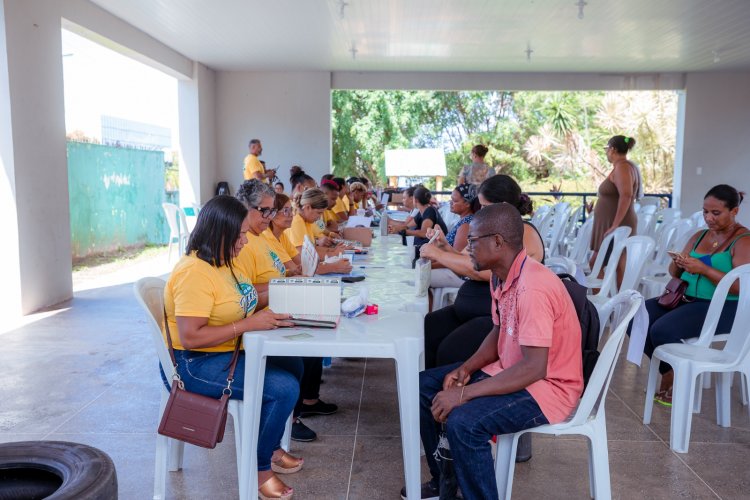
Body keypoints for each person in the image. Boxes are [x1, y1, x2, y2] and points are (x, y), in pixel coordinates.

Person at [405, 203, 583, 500]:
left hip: (547, 388)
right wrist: (467, 369)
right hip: (511, 370)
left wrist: (464, 394)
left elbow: (534, 368)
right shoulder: (503, 275)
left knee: (465, 423)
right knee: (422, 387)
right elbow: (499, 331)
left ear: (498, 242)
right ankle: (446, 482)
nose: (467, 248)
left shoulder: (533, 287)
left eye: (473, 241)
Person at [163, 195, 301, 500]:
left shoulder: (225, 263)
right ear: (219, 233)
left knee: (294, 363)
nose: (245, 241)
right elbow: (191, 337)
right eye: (239, 234)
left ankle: (270, 445)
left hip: (226, 350)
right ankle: (259, 468)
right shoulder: (194, 273)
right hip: (195, 363)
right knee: (284, 387)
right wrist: (248, 325)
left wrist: (290, 291)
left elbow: (247, 298)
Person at [235, 180, 340, 442]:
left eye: (274, 211)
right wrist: (283, 286)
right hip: (262, 318)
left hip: (277, 308)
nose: (271, 217)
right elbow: (243, 293)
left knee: (317, 337)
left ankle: (301, 408)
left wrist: (290, 282)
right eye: (266, 211)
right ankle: (288, 421)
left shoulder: (263, 238)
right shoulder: (244, 243)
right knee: (297, 360)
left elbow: (290, 268)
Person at [419, 175, 544, 369]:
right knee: (428, 329)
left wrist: (440, 255)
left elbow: (484, 273)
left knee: (449, 350)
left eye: (485, 207)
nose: (481, 213)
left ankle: (452, 392)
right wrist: (444, 247)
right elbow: (466, 261)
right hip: (471, 310)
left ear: (502, 206)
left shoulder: (522, 232)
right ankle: (427, 391)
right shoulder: (492, 231)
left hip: (500, 319)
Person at [642, 184, 750, 405]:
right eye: (705, 212)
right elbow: (674, 273)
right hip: (686, 298)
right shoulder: (699, 236)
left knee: (661, 330)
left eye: (716, 213)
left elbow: (742, 285)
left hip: (724, 307)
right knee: (638, 317)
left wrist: (705, 269)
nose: (709, 218)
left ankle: (680, 377)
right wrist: (679, 263)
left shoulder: (744, 241)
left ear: (734, 211)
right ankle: (670, 372)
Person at [589, 135, 641, 285]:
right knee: (615, 262)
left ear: (612, 149)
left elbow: (626, 195)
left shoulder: (623, 167)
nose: (606, 153)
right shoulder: (622, 167)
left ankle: (605, 301)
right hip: (613, 222)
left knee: (598, 263)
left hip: (617, 223)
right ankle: (613, 299)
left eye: (607, 149)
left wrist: (615, 224)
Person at [428, 183, 480, 290]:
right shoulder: (463, 221)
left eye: (455, 201)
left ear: (467, 204)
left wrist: (429, 266)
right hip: (450, 267)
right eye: (451, 199)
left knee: (420, 277)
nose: (451, 203)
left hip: (457, 274)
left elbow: (456, 260)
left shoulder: (466, 225)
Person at [287, 188, 352, 268]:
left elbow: (313, 249)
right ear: (307, 207)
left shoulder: (306, 221)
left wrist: (334, 250)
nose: (319, 217)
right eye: (319, 213)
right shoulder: (297, 221)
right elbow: (304, 256)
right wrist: (333, 254)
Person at [389, 186, 447, 260]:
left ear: (415, 200)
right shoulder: (421, 212)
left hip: (436, 248)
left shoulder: (430, 211)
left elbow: (423, 233)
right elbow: (407, 226)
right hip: (427, 246)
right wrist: (395, 229)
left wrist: (404, 231)